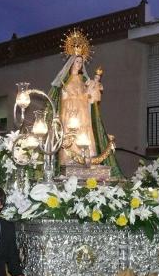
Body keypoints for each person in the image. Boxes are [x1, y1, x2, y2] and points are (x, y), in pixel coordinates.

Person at [49, 31, 122, 177]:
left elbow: (92, 98)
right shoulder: (65, 81)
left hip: (83, 114)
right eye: (76, 61)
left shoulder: (84, 81)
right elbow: (59, 99)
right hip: (69, 113)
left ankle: (87, 158)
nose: (79, 64)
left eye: (81, 62)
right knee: (71, 136)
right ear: (71, 62)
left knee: (84, 135)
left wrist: (93, 87)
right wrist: (67, 96)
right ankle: (69, 159)